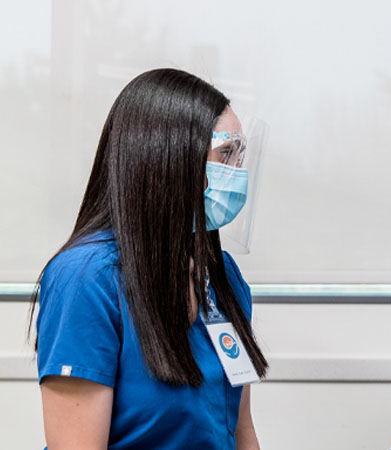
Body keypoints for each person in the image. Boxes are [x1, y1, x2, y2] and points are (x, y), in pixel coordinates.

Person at [30, 68, 267, 449]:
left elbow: (242, 431)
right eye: (226, 154)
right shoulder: (87, 280)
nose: (236, 171)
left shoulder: (223, 277)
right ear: (168, 157)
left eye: (239, 155)